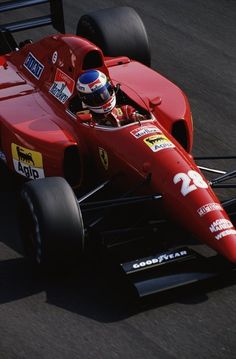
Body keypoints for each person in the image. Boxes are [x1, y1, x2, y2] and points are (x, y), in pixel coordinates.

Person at [76, 69, 147, 126]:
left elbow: (144, 122)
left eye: (105, 92)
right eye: (97, 98)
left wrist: (139, 118)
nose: (103, 98)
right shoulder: (89, 120)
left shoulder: (125, 110)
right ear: (86, 100)